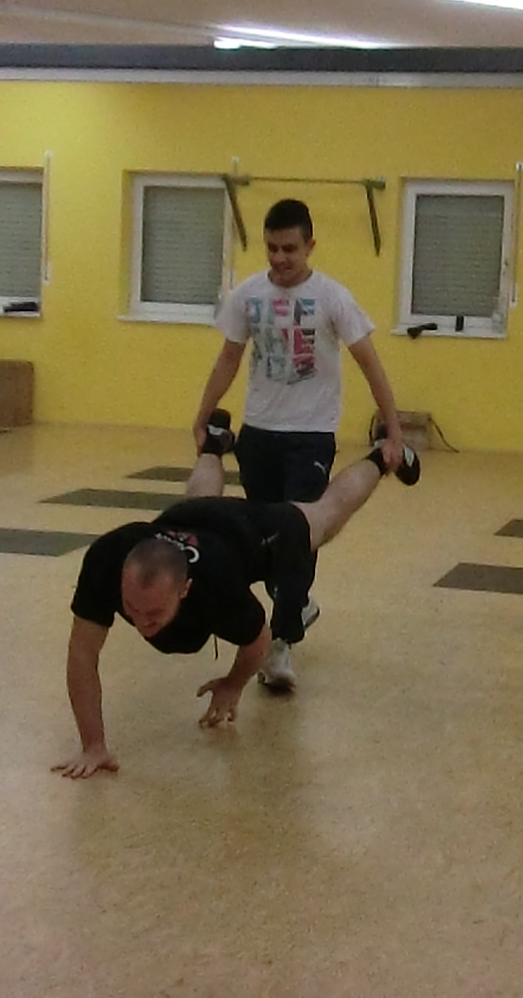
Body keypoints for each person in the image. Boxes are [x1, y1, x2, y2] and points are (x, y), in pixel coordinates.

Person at [52, 412, 420, 780]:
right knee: (198, 500)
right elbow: (83, 653)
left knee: (324, 517)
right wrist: (93, 745)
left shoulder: (217, 587)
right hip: (188, 520)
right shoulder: (106, 559)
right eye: (131, 608)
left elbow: (259, 642)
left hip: (253, 534)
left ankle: (383, 454)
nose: (141, 623)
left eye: (154, 614)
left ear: (185, 590)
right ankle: (214, 441)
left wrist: (232, 684)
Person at [191, 197, 406, 690]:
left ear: (310, 245)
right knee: (269, 539)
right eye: (272, 248)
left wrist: (393, 430)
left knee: (298, 532)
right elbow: (228, 359)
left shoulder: (332, 297)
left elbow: (369, 362)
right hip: (259, 433)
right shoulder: (249, 295)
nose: (280, 258)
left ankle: (281, 641)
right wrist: (202, 417)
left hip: (310, 434)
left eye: (289, 248)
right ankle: (299, 603)